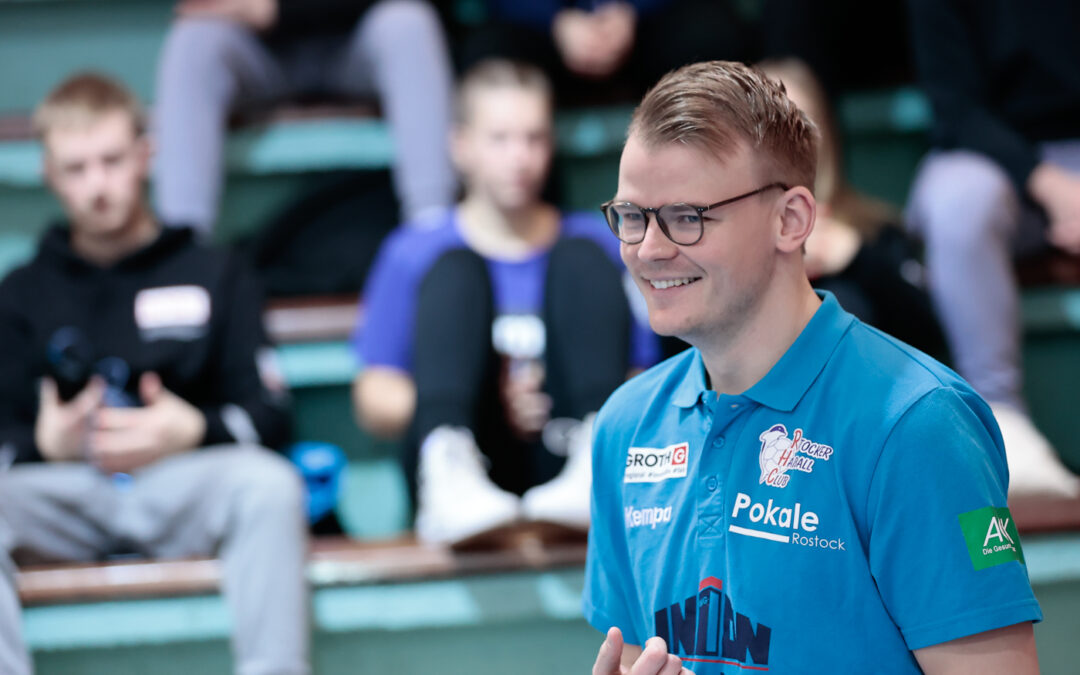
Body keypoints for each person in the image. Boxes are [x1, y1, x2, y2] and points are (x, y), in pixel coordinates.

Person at [586, 61, 1041, 674]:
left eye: (687, 217)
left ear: (791, 220)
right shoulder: (625, 425)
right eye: (632, 216)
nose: (648, 249)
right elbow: (638, 654)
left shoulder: (918, 424)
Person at [0, 73, 309, 675]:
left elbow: (272, 415)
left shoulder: (216, 271)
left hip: (184, 483)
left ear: (146, 154)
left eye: (112, 160)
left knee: (270, 486)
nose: (97, 186)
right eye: (76, 168)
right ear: (48, 174)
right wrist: (44, 445)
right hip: (66, 492)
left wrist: (192, 431)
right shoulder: (21, 293)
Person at [351, 59, 659, 545]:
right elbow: (374, 396)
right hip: (472, 445)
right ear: (461, 146)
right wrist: (485, 400)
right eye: (500, 139)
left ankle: (594, 465)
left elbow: (643, 379)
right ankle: (451, 477)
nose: (520, 157)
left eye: (534, 138)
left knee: (580, 257)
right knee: (454, 269)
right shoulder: (415, 251)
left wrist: (557, 390)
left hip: (562, 439)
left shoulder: (596, 247)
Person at [905, 0, 1080, 498]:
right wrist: (1053, 186)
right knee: (959, 203)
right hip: (992, 154)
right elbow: (956, 108)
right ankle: (1002, 422)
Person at [154, 0, 457, 235]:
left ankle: (431, 228)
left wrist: (280, 9)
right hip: (259, 51)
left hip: (358, 39)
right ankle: (182, 242)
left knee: (409, 22)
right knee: (193, 39)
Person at [758, 58, 946, 358]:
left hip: (865, 383)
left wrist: (855, 256)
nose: (783, 140)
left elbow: (927, 337)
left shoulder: (873, 231)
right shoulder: (720, 241)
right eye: (766, 124)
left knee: (842, 305)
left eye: (798, 121)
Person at [456, 0, 756, 105]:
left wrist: (632, 10)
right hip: (544, 30)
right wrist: (554, 20)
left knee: (714, 36)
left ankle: (710, 194)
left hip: (648, 26)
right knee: (490, 53)